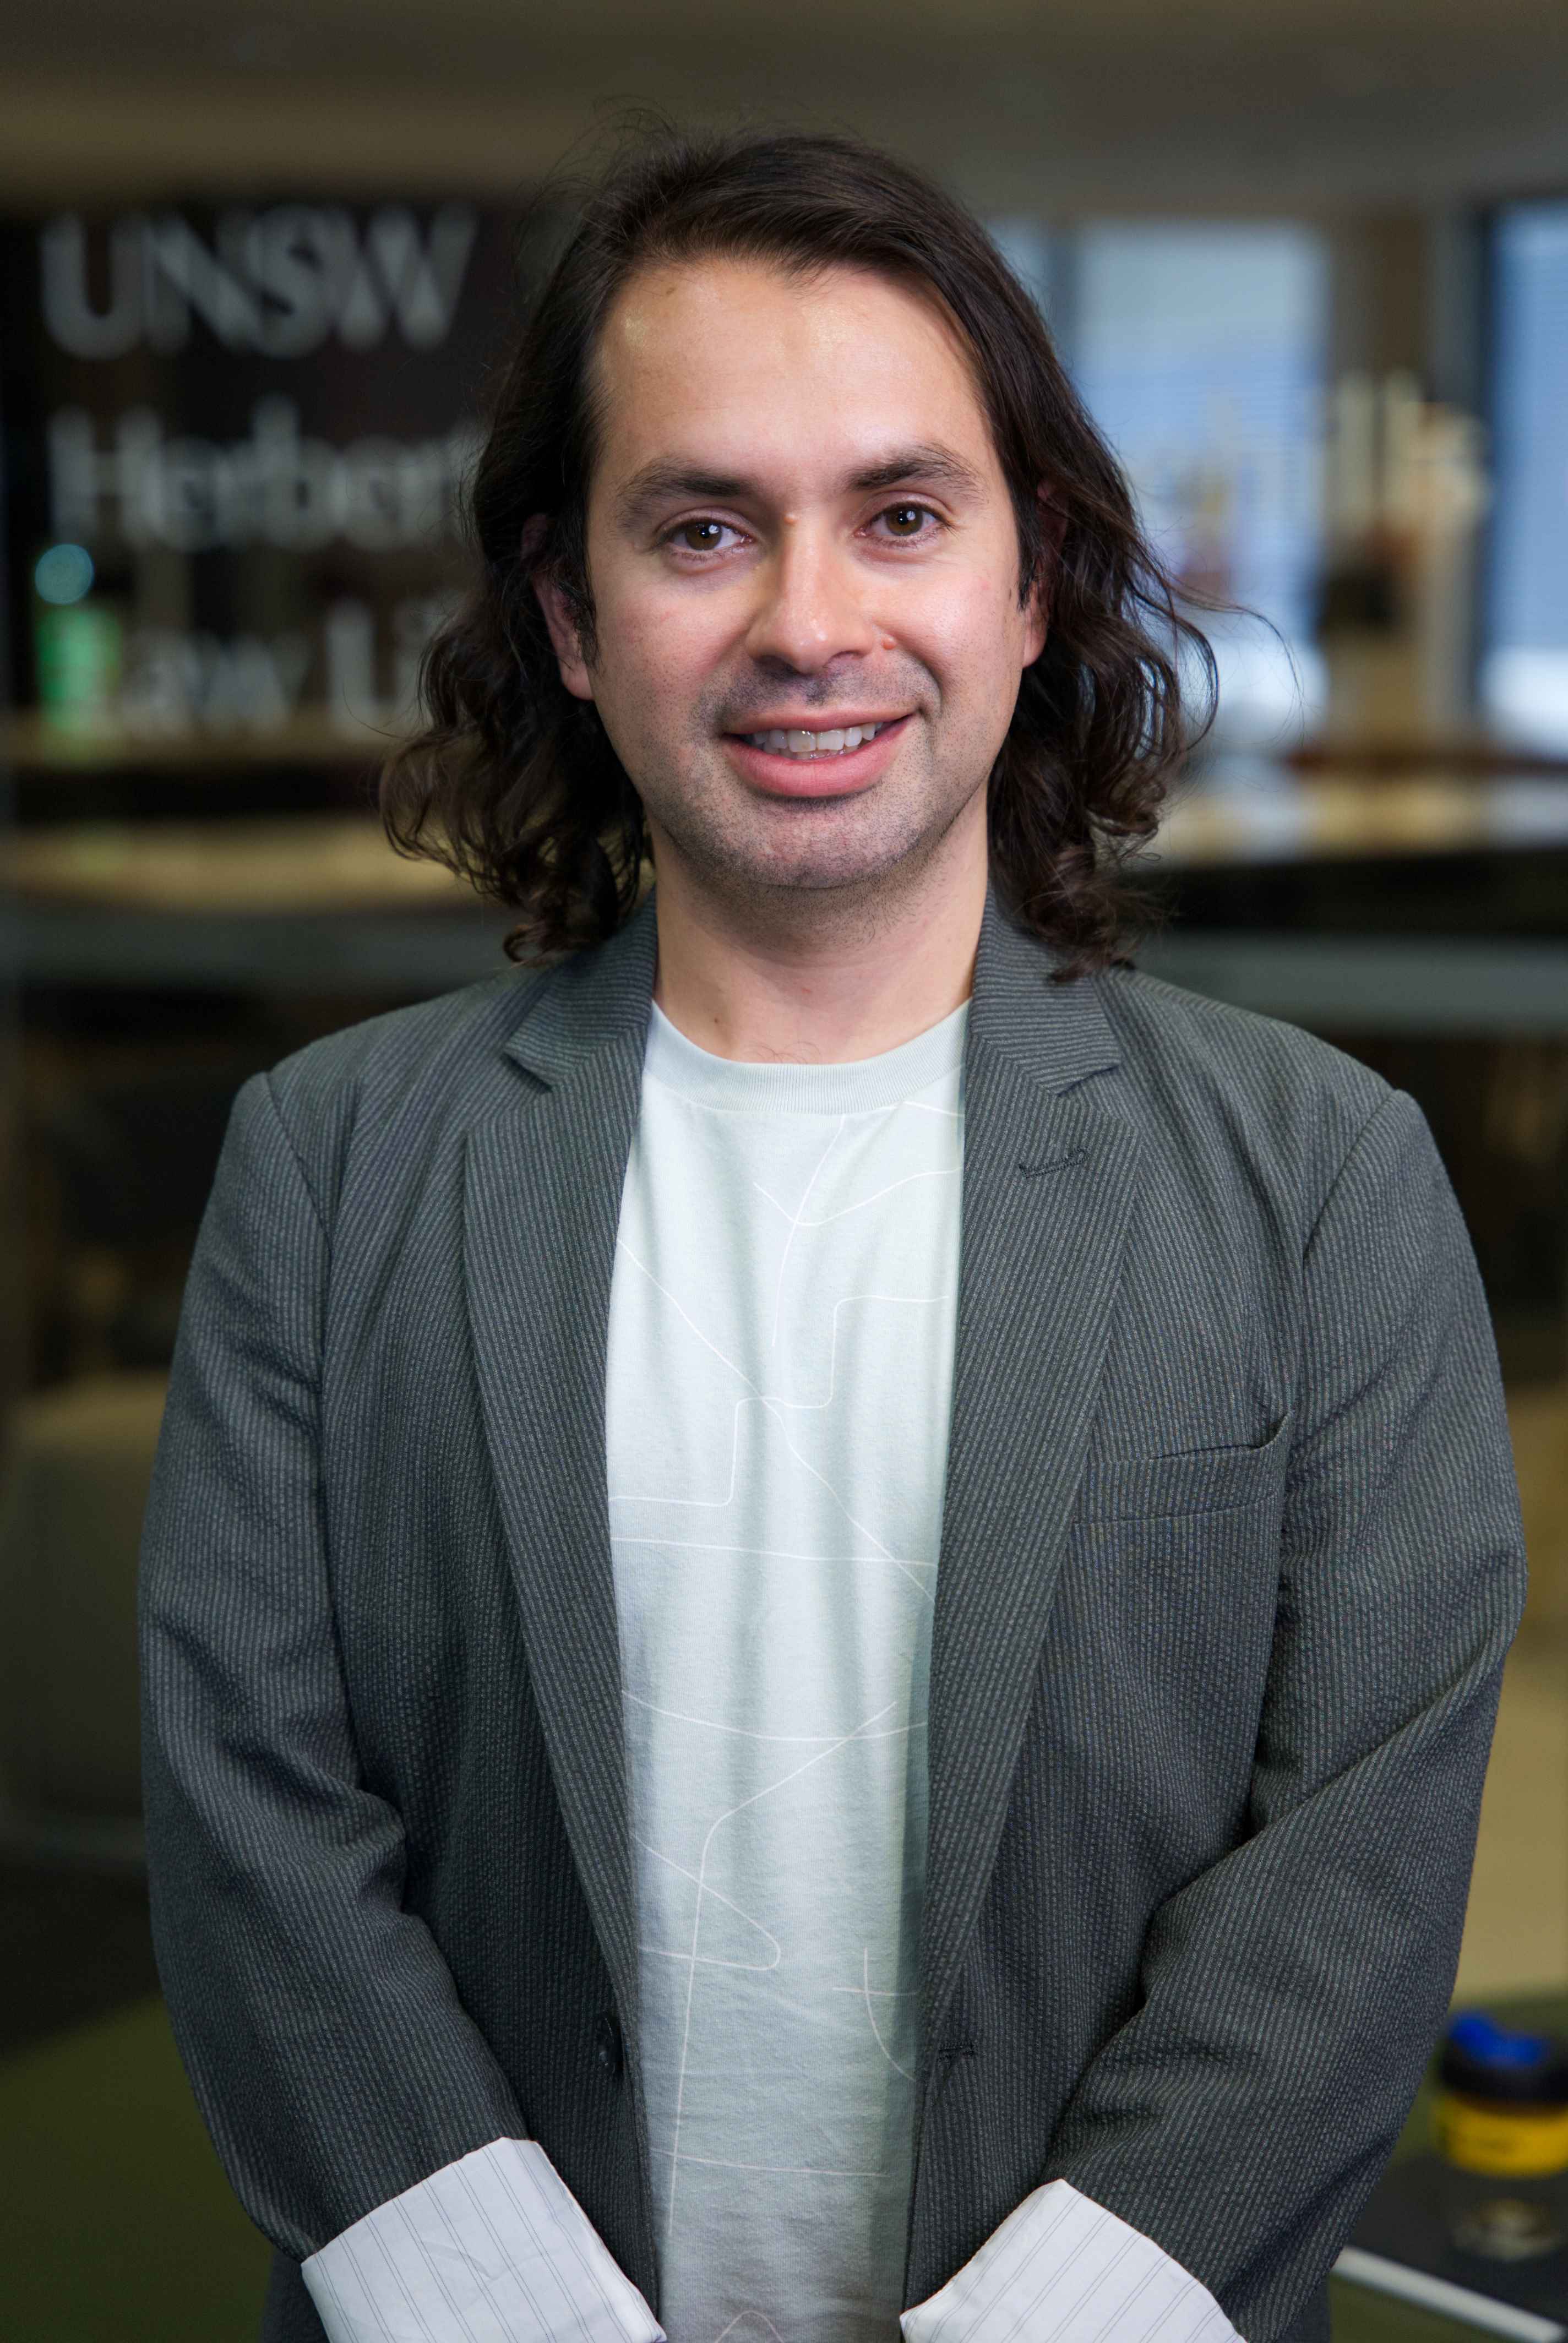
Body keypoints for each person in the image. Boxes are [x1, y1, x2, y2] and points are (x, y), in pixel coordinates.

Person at [138, 127, 1528, 2343]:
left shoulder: (1322, 1180)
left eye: (900, 515)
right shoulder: (329, 1165)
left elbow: (1349, 1881)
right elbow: (253, 1825)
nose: (808, 623)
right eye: (704, 528)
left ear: (1030, 581)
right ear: (572, 619)